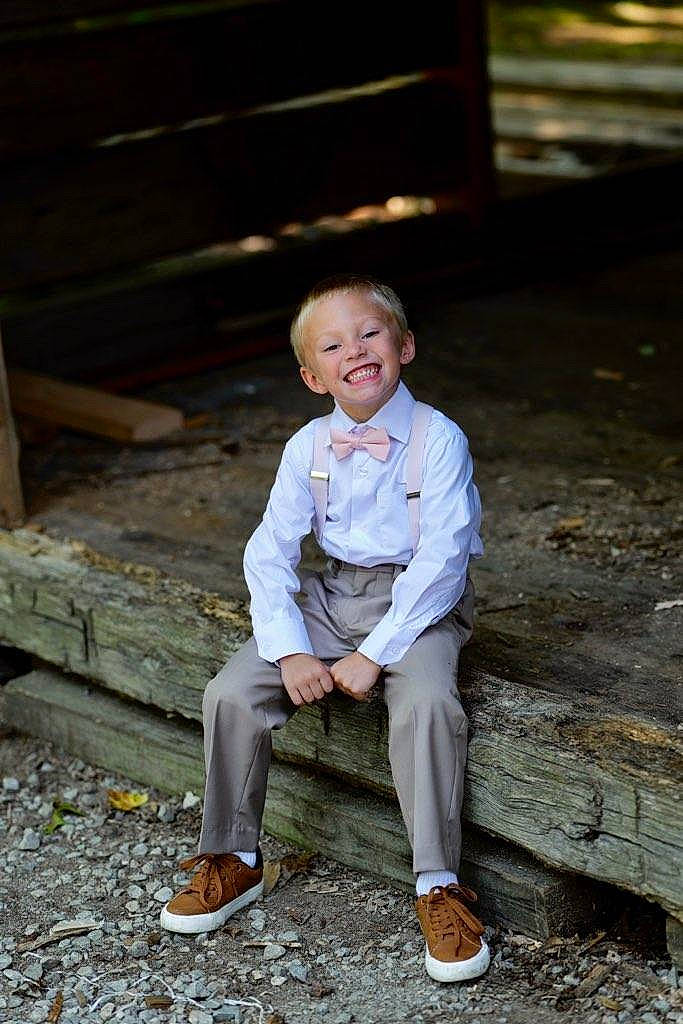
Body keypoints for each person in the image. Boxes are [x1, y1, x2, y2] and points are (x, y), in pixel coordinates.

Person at [159, 274, 489, 983]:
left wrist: (374, 655)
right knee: (230, 692)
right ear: (313, 377)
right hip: (333, 592)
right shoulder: (307, 446)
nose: (356, 351)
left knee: (428, 704)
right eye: (333, 346)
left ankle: (438, 883)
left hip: (419, 601)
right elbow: (269, 551)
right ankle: (234, 857)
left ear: (404, 346)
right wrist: (288, 650)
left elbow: (443, 559)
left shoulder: (438, 438)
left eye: (370, 334)